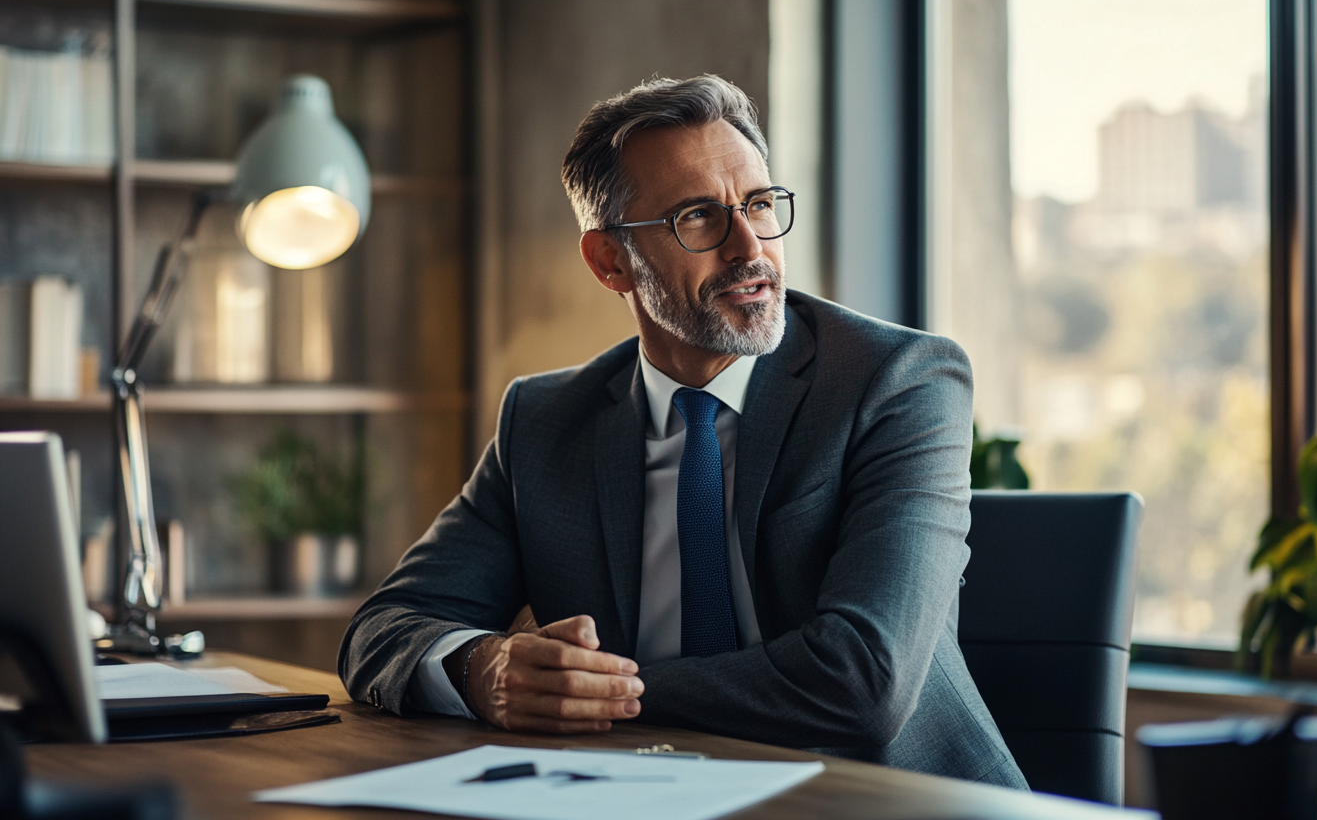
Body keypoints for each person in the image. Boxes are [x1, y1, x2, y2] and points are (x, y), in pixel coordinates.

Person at [339, 74, 1027, 788]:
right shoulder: (544, 423)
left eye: (759, 205)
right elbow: (384, 628)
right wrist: (484, 668)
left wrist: (597, 697)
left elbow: (863, 681)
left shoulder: (897, 381)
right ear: (610, 261)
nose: (749, 248)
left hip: (887, 803)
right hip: (647, 799)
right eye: (697, 217)